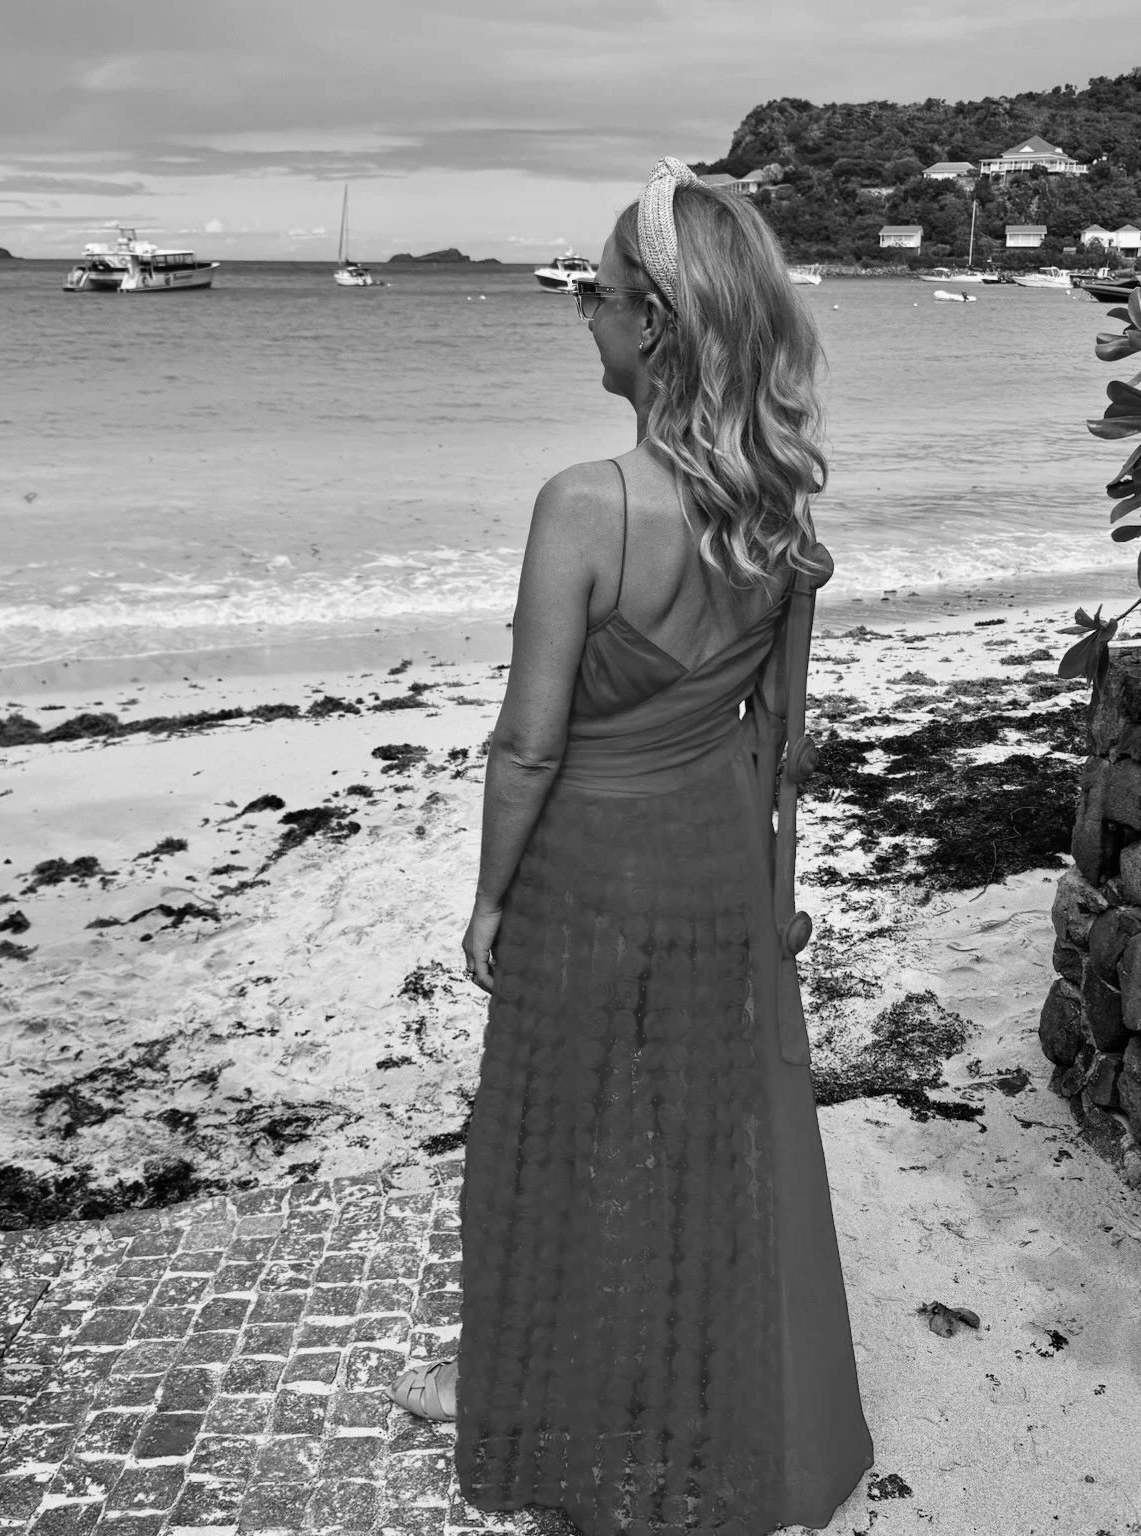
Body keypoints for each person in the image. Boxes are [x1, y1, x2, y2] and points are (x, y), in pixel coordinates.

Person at [384, 156, 874, 1535]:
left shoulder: (583, 503)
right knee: (692, 1140)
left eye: (596, 296)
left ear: (654, 324)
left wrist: (487, 898)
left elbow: (527, 744)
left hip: (590, 874)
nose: (581, 317)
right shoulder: (781, 516)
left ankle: (524, 1394)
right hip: (714, 858)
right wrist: (774, 890)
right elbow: (788, 738)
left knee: (555, 1137)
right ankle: (683, 1385)